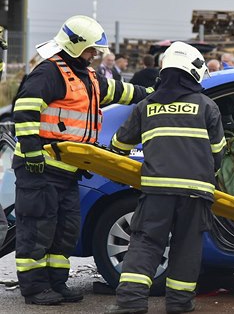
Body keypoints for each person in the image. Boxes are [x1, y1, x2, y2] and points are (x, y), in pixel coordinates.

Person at [11, 15, 152, 306]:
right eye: (91, 50)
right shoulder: (48, 73)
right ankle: (35, 288)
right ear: (75, 46)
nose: (94, 56)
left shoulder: (86, 76)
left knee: (64, 230)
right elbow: (24, 111)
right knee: (38, 228)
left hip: (67, 170)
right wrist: (33, 152)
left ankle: (56, 283)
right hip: (40, 168)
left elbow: (120, 91)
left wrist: (151, 93)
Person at [106, 41, 225, 314]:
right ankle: (180, 304)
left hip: (157, 191)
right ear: (192, 72)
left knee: (146, 243)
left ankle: (131, 302)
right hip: (196, 193)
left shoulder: (146, 107)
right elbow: (218, 155)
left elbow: (119, 146)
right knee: (186, 246)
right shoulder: (207, 107)